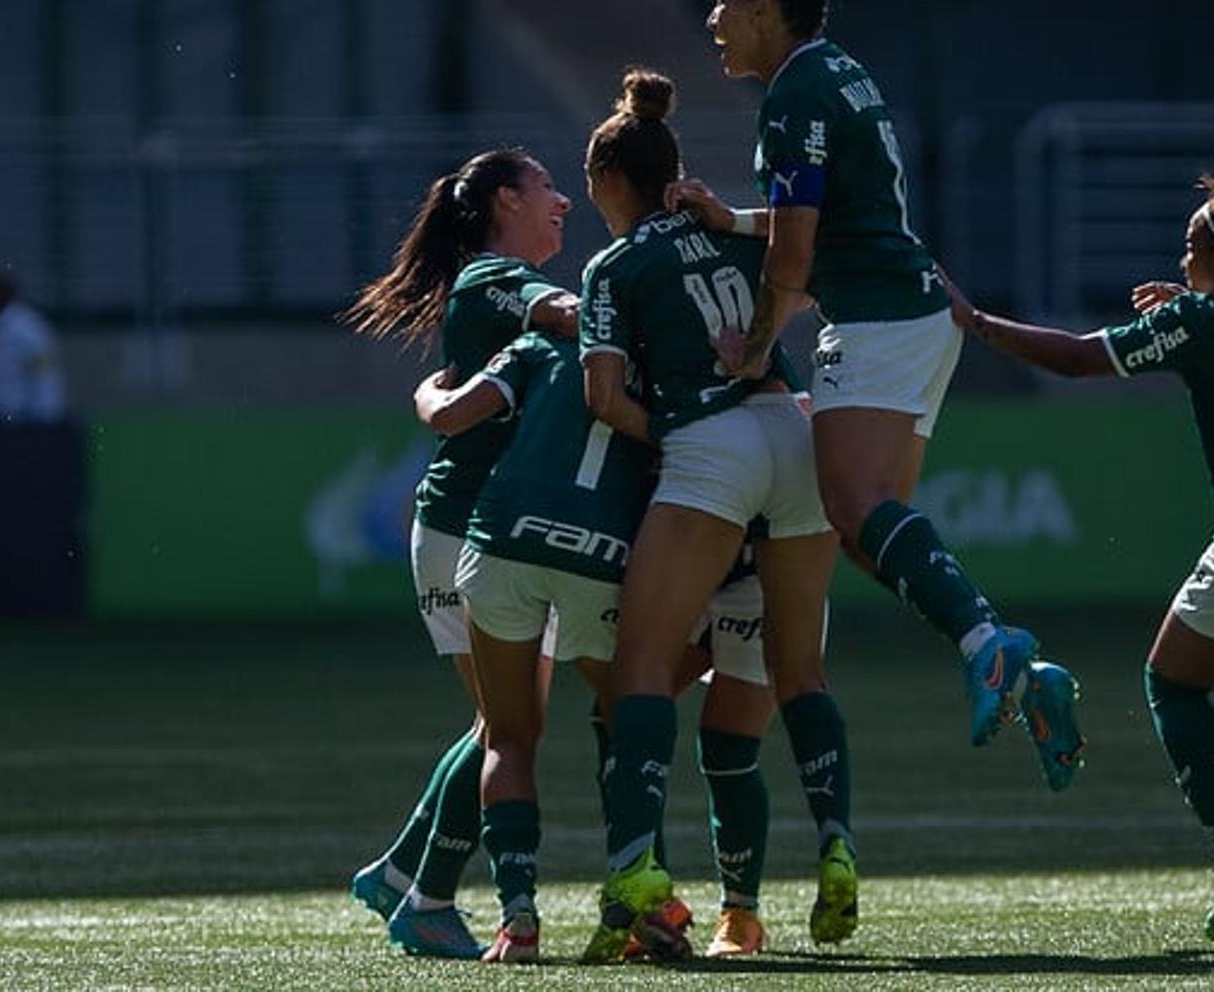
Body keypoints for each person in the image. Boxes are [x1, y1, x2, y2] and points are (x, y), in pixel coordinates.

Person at [667, 0, 1084, 775]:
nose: (714, 24)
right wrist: (738, 218)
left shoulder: (797, 91)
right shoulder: (838, 70)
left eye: (725, 8)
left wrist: (759, 341)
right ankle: (1016, 667)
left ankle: (994, 646)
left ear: (769, 10)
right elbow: (830, 219)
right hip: (914, 307)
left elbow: (802, 255)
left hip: (884, 318)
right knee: (867, 532)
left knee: (854, 510)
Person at [946, 152, 1214, 943]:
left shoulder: (1196, 325)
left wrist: (975, 322)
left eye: (1191, 249)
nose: (1181, 261)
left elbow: (1078, 359)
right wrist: (1197, 309)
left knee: (1172, 686)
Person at [575, 70, 847, 961]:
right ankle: (832, 847)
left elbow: (606, 399)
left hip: (712, 451)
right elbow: (811, 262)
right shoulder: (738, 230)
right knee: (797, 675)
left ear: (609, 182)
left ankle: (632, 872)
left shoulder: (616, 263)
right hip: (797, 432)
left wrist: (678, 428)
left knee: (642, 667)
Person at [339, 148, 577, 958]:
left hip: (476, 529)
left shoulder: (488, 286)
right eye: (547, 186)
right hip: (465, 531)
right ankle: (426, 894)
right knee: (511, 726)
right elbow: (573, 318)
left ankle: (402, 872)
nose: (564, 201)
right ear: (507, 198)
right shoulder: (492, 278)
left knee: (503, 724)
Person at [410, 329, 657, 964]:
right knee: (628, 719)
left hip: (504, 539)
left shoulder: (539, 345)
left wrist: (425, 391)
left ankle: (518, 919)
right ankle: (641, 905)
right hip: (601, 554)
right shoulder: (671, 355)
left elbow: (450, 417)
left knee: (507, 735)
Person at [0, 270, 66, 421]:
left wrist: (46, 415)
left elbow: (45, 374)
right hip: (1, 416)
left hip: (25, 418)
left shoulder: (26, 328)